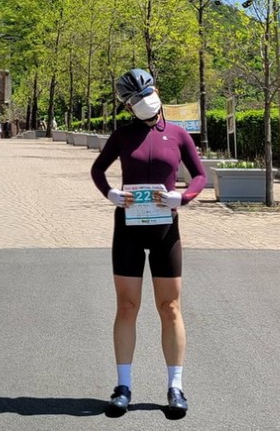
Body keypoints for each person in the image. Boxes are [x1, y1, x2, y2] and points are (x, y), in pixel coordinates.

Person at [91, 68, 207, 419]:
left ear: (156, 90)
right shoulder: (123, 135)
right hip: (128, 227)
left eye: (147, 93)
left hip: (164, 230)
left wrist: (183, 197)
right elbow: (98, 169)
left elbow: (199, 174)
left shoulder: (177, 134)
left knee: (170, 307)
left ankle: (176, 387)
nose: (145, 101)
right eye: (136, 99)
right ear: (127, 106)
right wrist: (110, 193)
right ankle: (123, 387)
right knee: (127, 306)